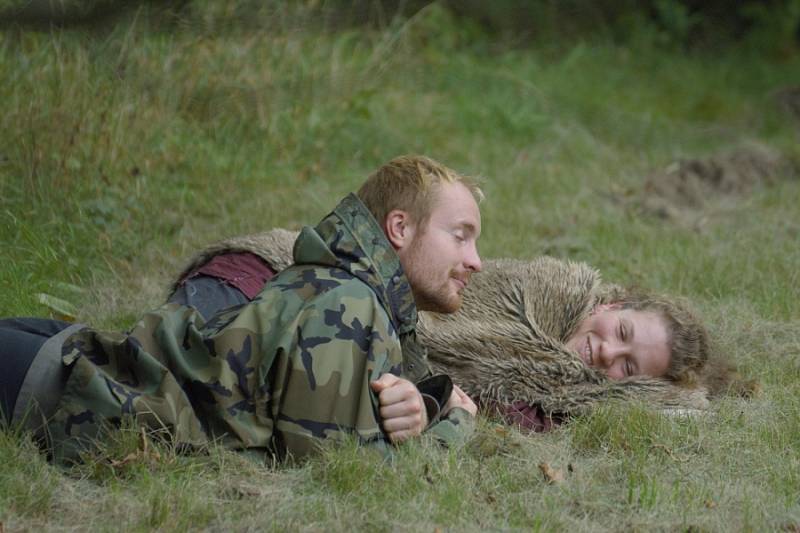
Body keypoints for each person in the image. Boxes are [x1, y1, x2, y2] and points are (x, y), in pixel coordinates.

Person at [1, 155, 483, 462]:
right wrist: (455, 427)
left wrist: (425, 405)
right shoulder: (348, 304)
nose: (475, 261)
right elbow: (341, 472)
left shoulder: (349, 290)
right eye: (460, 235)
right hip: (67, 388)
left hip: (71, 358)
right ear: (399, 228)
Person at [167, 232, 729, 433]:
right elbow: (521, 380)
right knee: (182, 366)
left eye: (628, 367)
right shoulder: (541, 288)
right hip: (270, 275)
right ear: (612, 302)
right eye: (622, 330)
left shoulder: (562, 394)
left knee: (204, 400)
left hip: (319, 332)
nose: (607, 351)